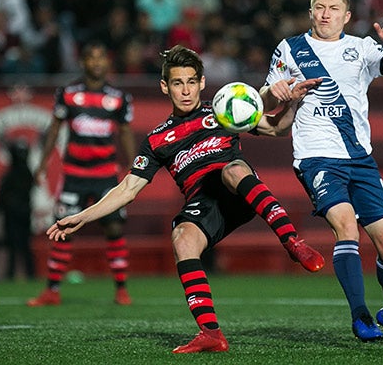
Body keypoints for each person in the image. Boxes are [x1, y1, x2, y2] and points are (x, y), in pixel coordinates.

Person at [45, 45, 324, 353]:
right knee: (181, 238)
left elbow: (277, 128)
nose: (186, 90)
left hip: (238, 190)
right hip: (204, 202)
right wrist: (82, 217)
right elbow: (127, 189)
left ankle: (293, 243)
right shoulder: (156, 139)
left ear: (202, 82)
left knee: (232, 169)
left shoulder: (223, 110)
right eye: (178, 83)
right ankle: (211, 334)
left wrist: (293, 105)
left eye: (191, 81)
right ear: (165, 86)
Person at [258, 0, 383, 345]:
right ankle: (361, 316)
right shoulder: (290, 48)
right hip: (317, 157)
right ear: (310, 11)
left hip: (360, 158)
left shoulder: (362, 48)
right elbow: (263, 96)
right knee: (345, 227)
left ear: (347, 15)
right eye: (319, 8)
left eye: (333, 9)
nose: (325, 15)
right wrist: (276, 89)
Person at [27, 41, 136, 307]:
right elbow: (54, 129)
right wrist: (42, 163)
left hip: (106, 175)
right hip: (74, 174)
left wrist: (135, 166)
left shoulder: (119, 98)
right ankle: (52, 290)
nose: (97, 62)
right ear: (83, 62)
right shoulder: (67, 93)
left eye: (101, 57)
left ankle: (121, 289)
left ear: (107, 63)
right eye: (91, 57)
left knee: (113, 228)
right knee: (64, 230)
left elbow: (124, 133)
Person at [0, 139, 35, 280]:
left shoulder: (13, 175)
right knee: (22, 245)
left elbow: (2, 196)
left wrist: (0, 208)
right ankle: (28, 273)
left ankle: (14, 273)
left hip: (15, 212)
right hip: (22, 212)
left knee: (17, 245)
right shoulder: (26, 173)